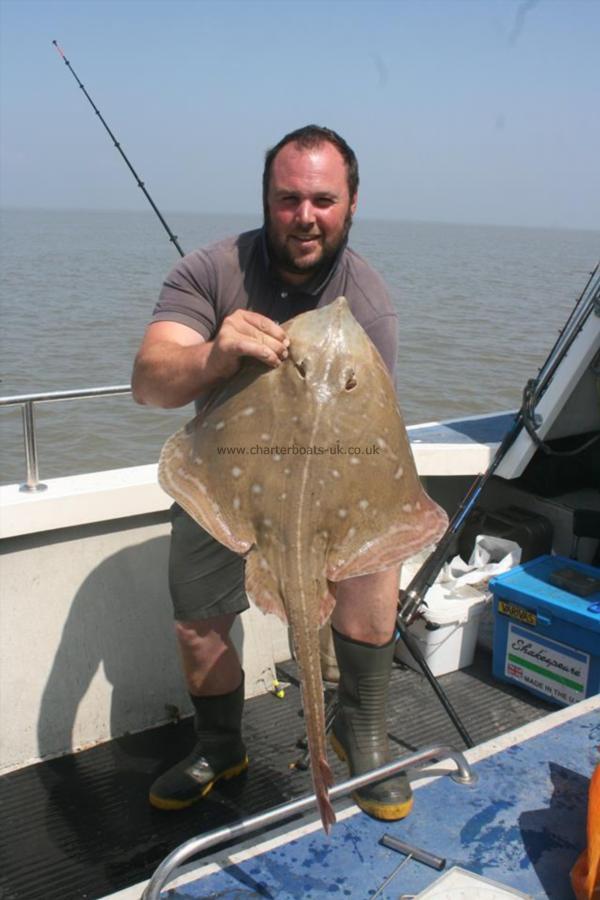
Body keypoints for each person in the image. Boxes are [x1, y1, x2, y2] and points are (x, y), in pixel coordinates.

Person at [131, 125, 412, 821]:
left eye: (323, 199)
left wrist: (348, 545)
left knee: (376, 585)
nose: (305, 216)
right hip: (227, 472)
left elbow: (373, 431)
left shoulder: (367, 300)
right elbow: (148, 384)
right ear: (267, 199)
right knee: (198, 628)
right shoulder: (210, 269)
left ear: (351, 203)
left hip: (332, 474)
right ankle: (220, 745)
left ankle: (360, 734)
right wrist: (215, 355)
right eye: (289, 199)